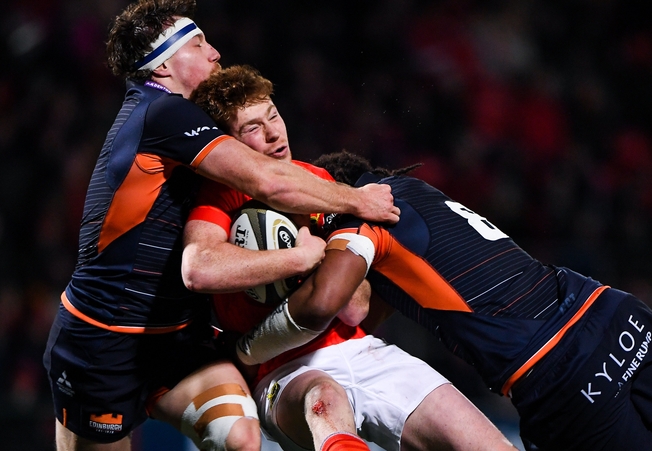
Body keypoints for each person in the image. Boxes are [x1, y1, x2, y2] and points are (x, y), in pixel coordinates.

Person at [235, 150, 652, 451]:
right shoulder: (418, 193)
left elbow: (328, 305)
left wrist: (249, 347)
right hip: (617, 315)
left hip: (561, 372)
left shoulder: (363, 217)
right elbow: (375, 306)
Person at [42, 1, 399, 450]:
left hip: (178, 337)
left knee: (242, 439)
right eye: (198, 44)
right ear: (163, 66)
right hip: (105, 341)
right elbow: (268, 180)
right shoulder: (162, 113)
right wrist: (357, 200)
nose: (214, 52)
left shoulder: (177, 117)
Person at [184, 64, 519, 451]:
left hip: (363, 351)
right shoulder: (220, 194)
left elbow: (355, 306)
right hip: (283, 373)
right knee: (325, 399)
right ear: (228, 144)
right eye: (253, 128)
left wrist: (318, 257)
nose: (273, 133)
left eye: (273, 116)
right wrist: (300, 259)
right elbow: (199, 267)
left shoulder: (320, 182)